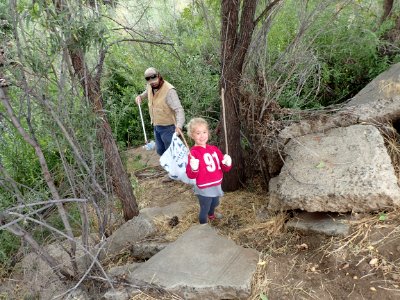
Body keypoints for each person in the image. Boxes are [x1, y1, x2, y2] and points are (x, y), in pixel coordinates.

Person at [185, 117, 232, 224]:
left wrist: (227, 163)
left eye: (204, 132)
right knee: (205, 207)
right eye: (198, 133)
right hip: (204, 188)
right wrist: (194, 168)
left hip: (216, 184)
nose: (202, 136)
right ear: (192, 135)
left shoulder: (214, 149)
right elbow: (191, 175)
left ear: (208, 133)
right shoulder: (193, 153)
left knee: (215, 203)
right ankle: (203, 226)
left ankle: (211, 215)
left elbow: (224, 168)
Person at [135, 67, 185, 156]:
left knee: (174, 154)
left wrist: (179, 126)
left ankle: (178, 169)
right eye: (150, 82)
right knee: (160, 151)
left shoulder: (169, 91)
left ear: (158, 75)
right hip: (156, 126)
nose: (153, 83)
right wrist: (140, 97)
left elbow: (179, 110)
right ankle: (168, 167)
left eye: (154, 80)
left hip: (169, 128)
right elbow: (147, 92)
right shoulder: (150, 86)